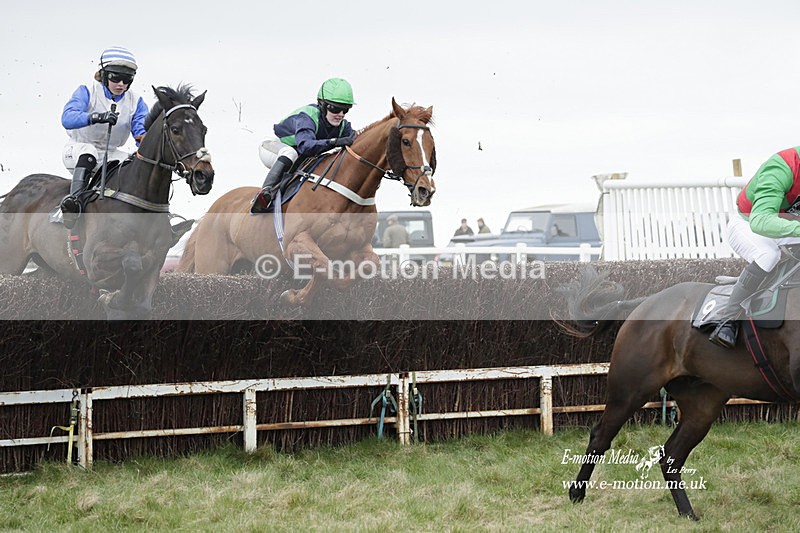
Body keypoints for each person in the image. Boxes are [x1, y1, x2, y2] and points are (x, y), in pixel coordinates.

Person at [709, 146, 800, 348]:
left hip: (787, 226)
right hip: (749, 224)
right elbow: (760, 221)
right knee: (768, 255)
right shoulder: (782, 166)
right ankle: (727, 319)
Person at [60, 46, 149, 229]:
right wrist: (96, 117)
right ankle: (73, 203)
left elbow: (140, 130)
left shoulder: (136, 101)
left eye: (127, 80)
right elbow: (67, 118)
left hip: (111, 152)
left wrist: (147, 143)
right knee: (90, 153)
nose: (121, 84)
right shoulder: (87, 90)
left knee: (133, 165)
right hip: (79, 148)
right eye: (115, 78)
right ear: (104, 74)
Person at [251, 78, 357, 213]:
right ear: (322, 105)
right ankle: (265, 194)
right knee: (290, 153)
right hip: (273, 147)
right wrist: (334, 142)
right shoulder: (307, 116)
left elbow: (356, 141)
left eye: (345, 110)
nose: (340, 115)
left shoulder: (344, 126)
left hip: (300, 157)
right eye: (335, 108)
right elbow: (305, 146)